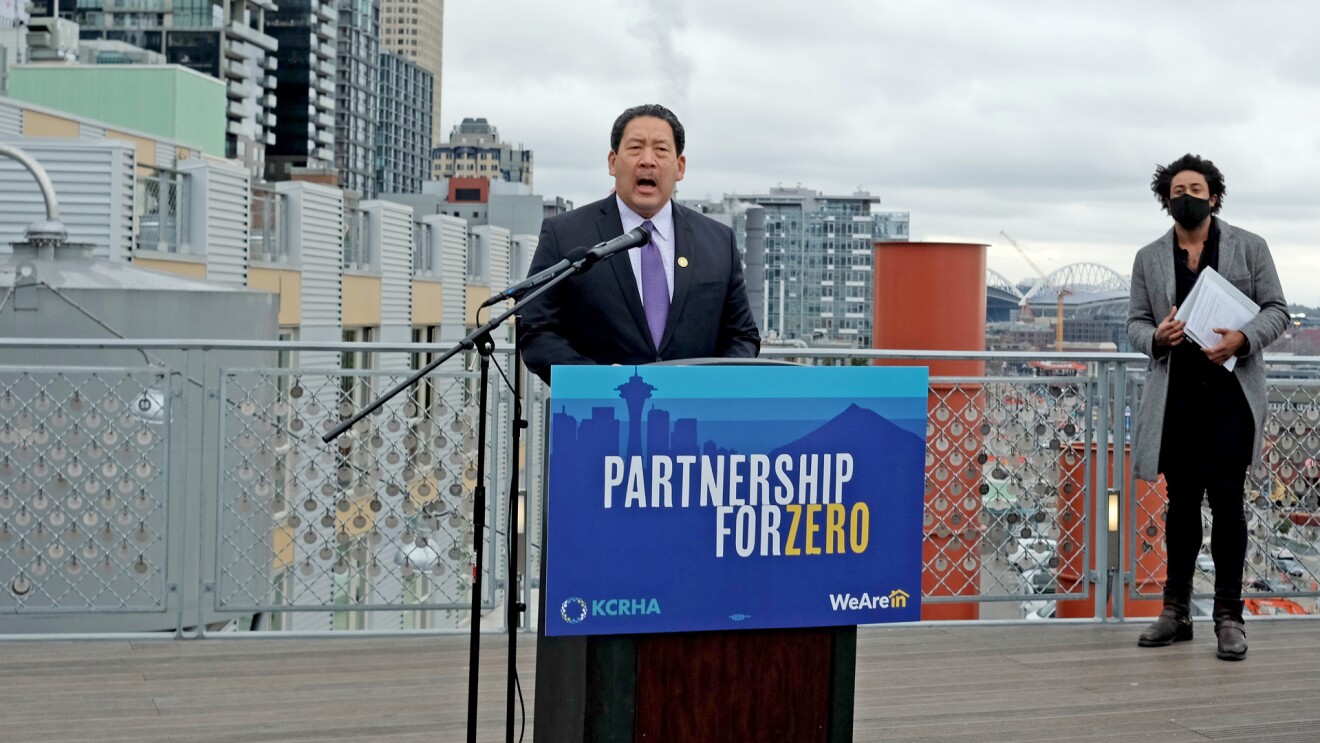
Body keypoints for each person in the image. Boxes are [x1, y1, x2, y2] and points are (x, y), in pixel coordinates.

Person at [1127, 153, 1289, 660]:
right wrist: (1156, 336)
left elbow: (1278, 310)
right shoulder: (1148, 257)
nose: (1187, 197)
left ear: (1214, 196)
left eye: (1197, 189)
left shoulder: (1250, 246)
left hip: (1230, 401)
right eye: (1178, 190)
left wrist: (1243, 338)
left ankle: (1228, 617)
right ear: (1165, 200)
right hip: (1175, 401)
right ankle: (1175, 611)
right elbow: (1133, 323)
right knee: (1179, 508)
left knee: (1227, 505)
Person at [518, 104, 760, 384]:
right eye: (635, 148)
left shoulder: (718, 241)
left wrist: (711, 385)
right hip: (599, 415)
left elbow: (742, 335)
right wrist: (597, 381)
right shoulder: (566, 233)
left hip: (695, 416)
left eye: (660, 150)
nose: (648, 160)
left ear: (679, 167)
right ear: (612, 162)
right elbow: (537, 330)